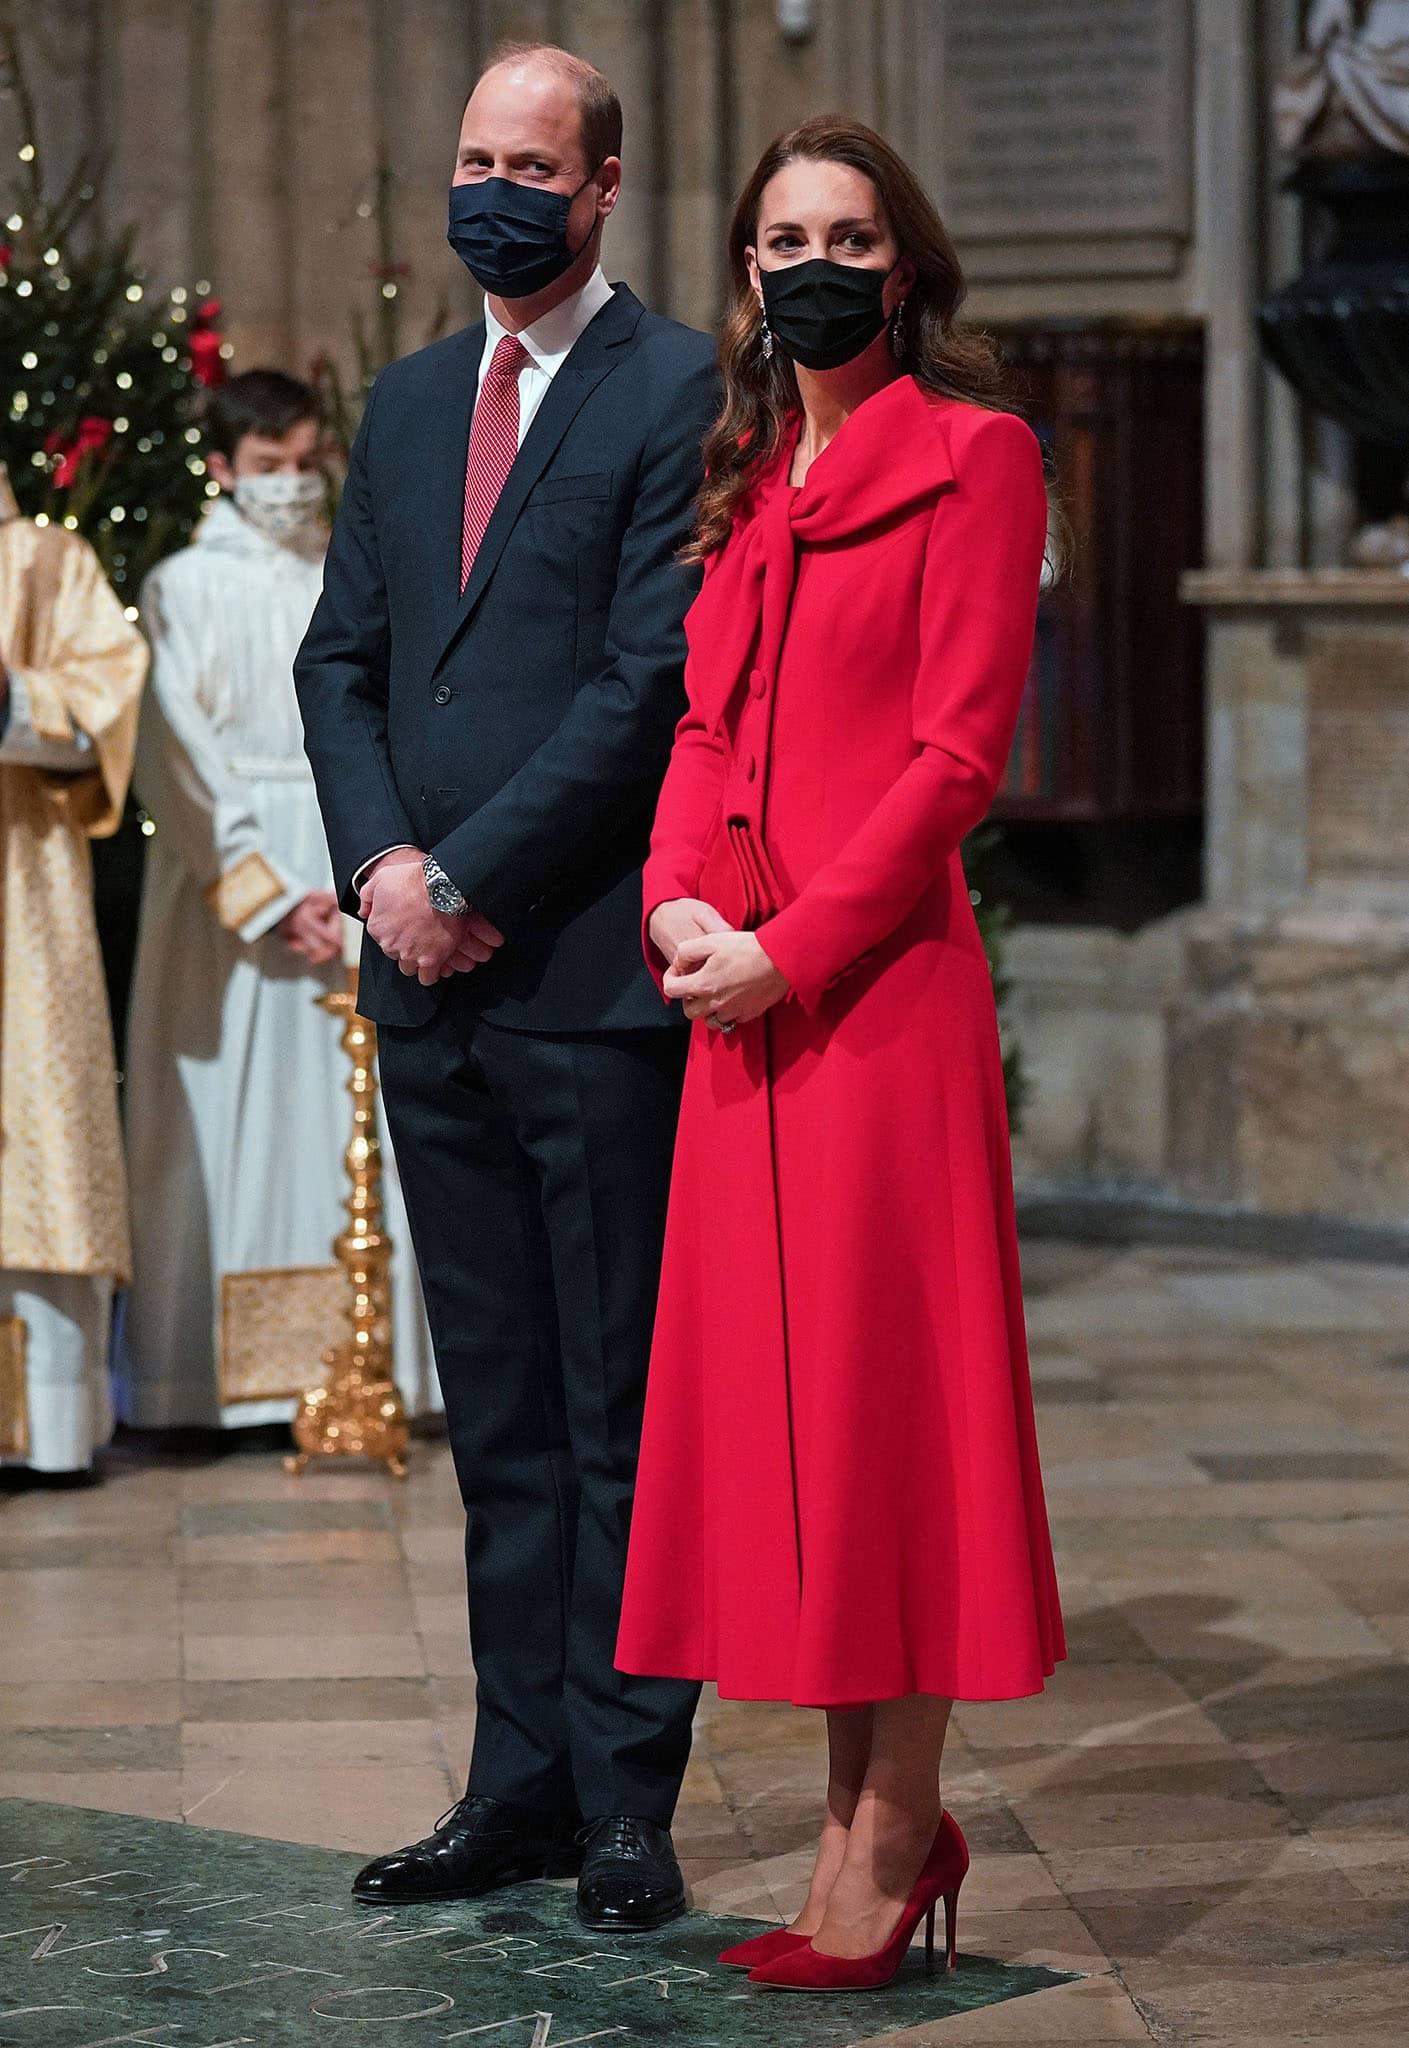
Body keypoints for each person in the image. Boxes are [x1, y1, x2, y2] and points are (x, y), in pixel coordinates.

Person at [615, 116, 1067, 1993]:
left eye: (851, 234)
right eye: (782, 234)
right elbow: (703, 737)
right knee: (789, 1429)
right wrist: (672, 911)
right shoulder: (743, 483)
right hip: (737, 1009)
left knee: (886, 1411)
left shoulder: (977, 457)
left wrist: (788, 948)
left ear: (905, 268)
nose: (815, 261)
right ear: (745, 273)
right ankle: (854, 1813)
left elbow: (952, 758)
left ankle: (886, 1829)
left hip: (873, 1009)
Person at [295, 44, 717, 1930]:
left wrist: (468, 875)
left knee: (615, 1405)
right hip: (433, 983)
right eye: (472, 157)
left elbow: (644, 684)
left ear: (601, 185)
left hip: (581, 976)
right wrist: (390, 870)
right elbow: (342, 663)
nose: (496, 190)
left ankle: (626, 1799)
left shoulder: (675, 381)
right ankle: (514, 1779)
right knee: (503, 1420)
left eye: (530, 163)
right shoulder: (397, 404)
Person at [117, 371, 436, 1432]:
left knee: (365, 1124)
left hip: (354, 854)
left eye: (307, 465)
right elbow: (174, 746)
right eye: (268, 470)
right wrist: (257, 891)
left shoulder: (349, 573)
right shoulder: (182, 586)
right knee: (232, 1120)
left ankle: (368, 1363)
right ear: (221, 468)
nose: (293, 488)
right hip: (233, 885)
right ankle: (224, 1388)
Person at [0, 467, 147, 1483]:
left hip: (24, 887)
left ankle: (46, 1433)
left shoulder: (47, 560)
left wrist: (13, 691)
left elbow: (108, 693)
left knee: (39, 1129)